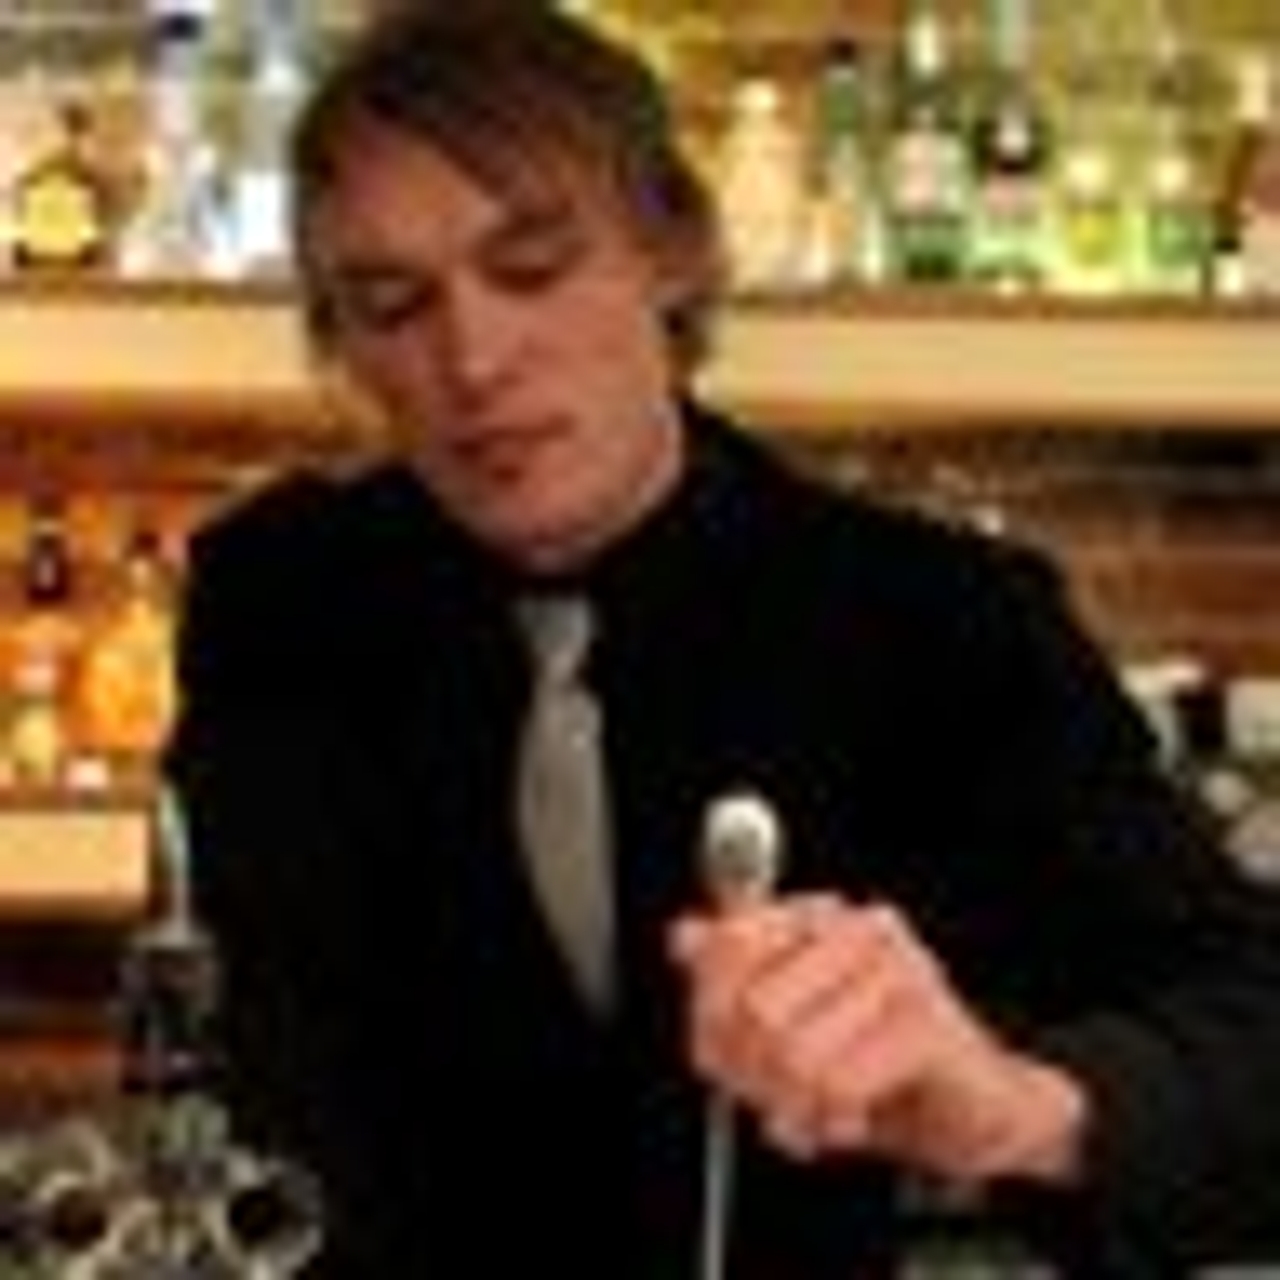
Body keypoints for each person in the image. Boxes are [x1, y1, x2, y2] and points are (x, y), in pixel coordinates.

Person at [164, 7, 1280, 1278]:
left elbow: (1253, 1032)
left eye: (532, 268)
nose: (471, 358)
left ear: (673, 256)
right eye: (391, 303)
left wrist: (1011, 1101)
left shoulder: (935, 620)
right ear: (342, 345)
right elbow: (233, 1069)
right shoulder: (278, 600)